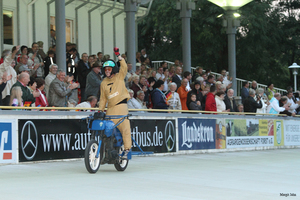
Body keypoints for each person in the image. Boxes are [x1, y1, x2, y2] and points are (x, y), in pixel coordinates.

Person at [98, 47, 131, 158]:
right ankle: (108, 151)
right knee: (107, 131)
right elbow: (103, 99)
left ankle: (127, 150)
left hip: (121, 106)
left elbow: (124, 67)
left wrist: (119, 56)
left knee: (125, 128)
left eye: (109, 69)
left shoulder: (119, 77)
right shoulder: (103, 83)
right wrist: (100, 111)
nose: (107, 71)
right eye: (106, 69)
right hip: (110, 108)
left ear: (113, 69)